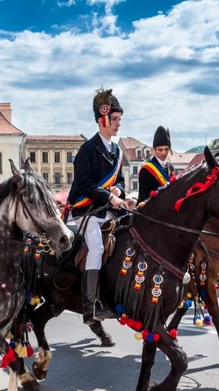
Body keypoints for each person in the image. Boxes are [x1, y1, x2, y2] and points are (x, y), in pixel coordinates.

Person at [66, 88, 126, 325]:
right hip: (85, 212)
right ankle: (90, 305)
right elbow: (84, 184)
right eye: (115, 119)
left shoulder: (117, 151)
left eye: (120, 119)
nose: (118, 124)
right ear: (103, 119)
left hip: (107, 211)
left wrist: (118, 190)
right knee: (97, 248)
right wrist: (108, 197)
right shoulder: (87, 149)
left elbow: (120, 179)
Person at [138, 126, 174, 201]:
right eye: (160, 150)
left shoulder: (170, 167)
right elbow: (144, 197)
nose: (164, 153)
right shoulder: (146, 170)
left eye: (166, 149)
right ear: (154, 150)